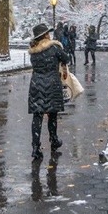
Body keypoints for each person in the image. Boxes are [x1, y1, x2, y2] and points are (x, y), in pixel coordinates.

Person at [27, 23, 69, 160]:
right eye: (48, 33)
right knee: (52, 115)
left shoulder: (33, 51)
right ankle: (54, 140)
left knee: (37, 116)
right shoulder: (54, 48)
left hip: (36, 84)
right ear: (45, 35)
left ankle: (35, 147)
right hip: (52, 84)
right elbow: (66, 58)